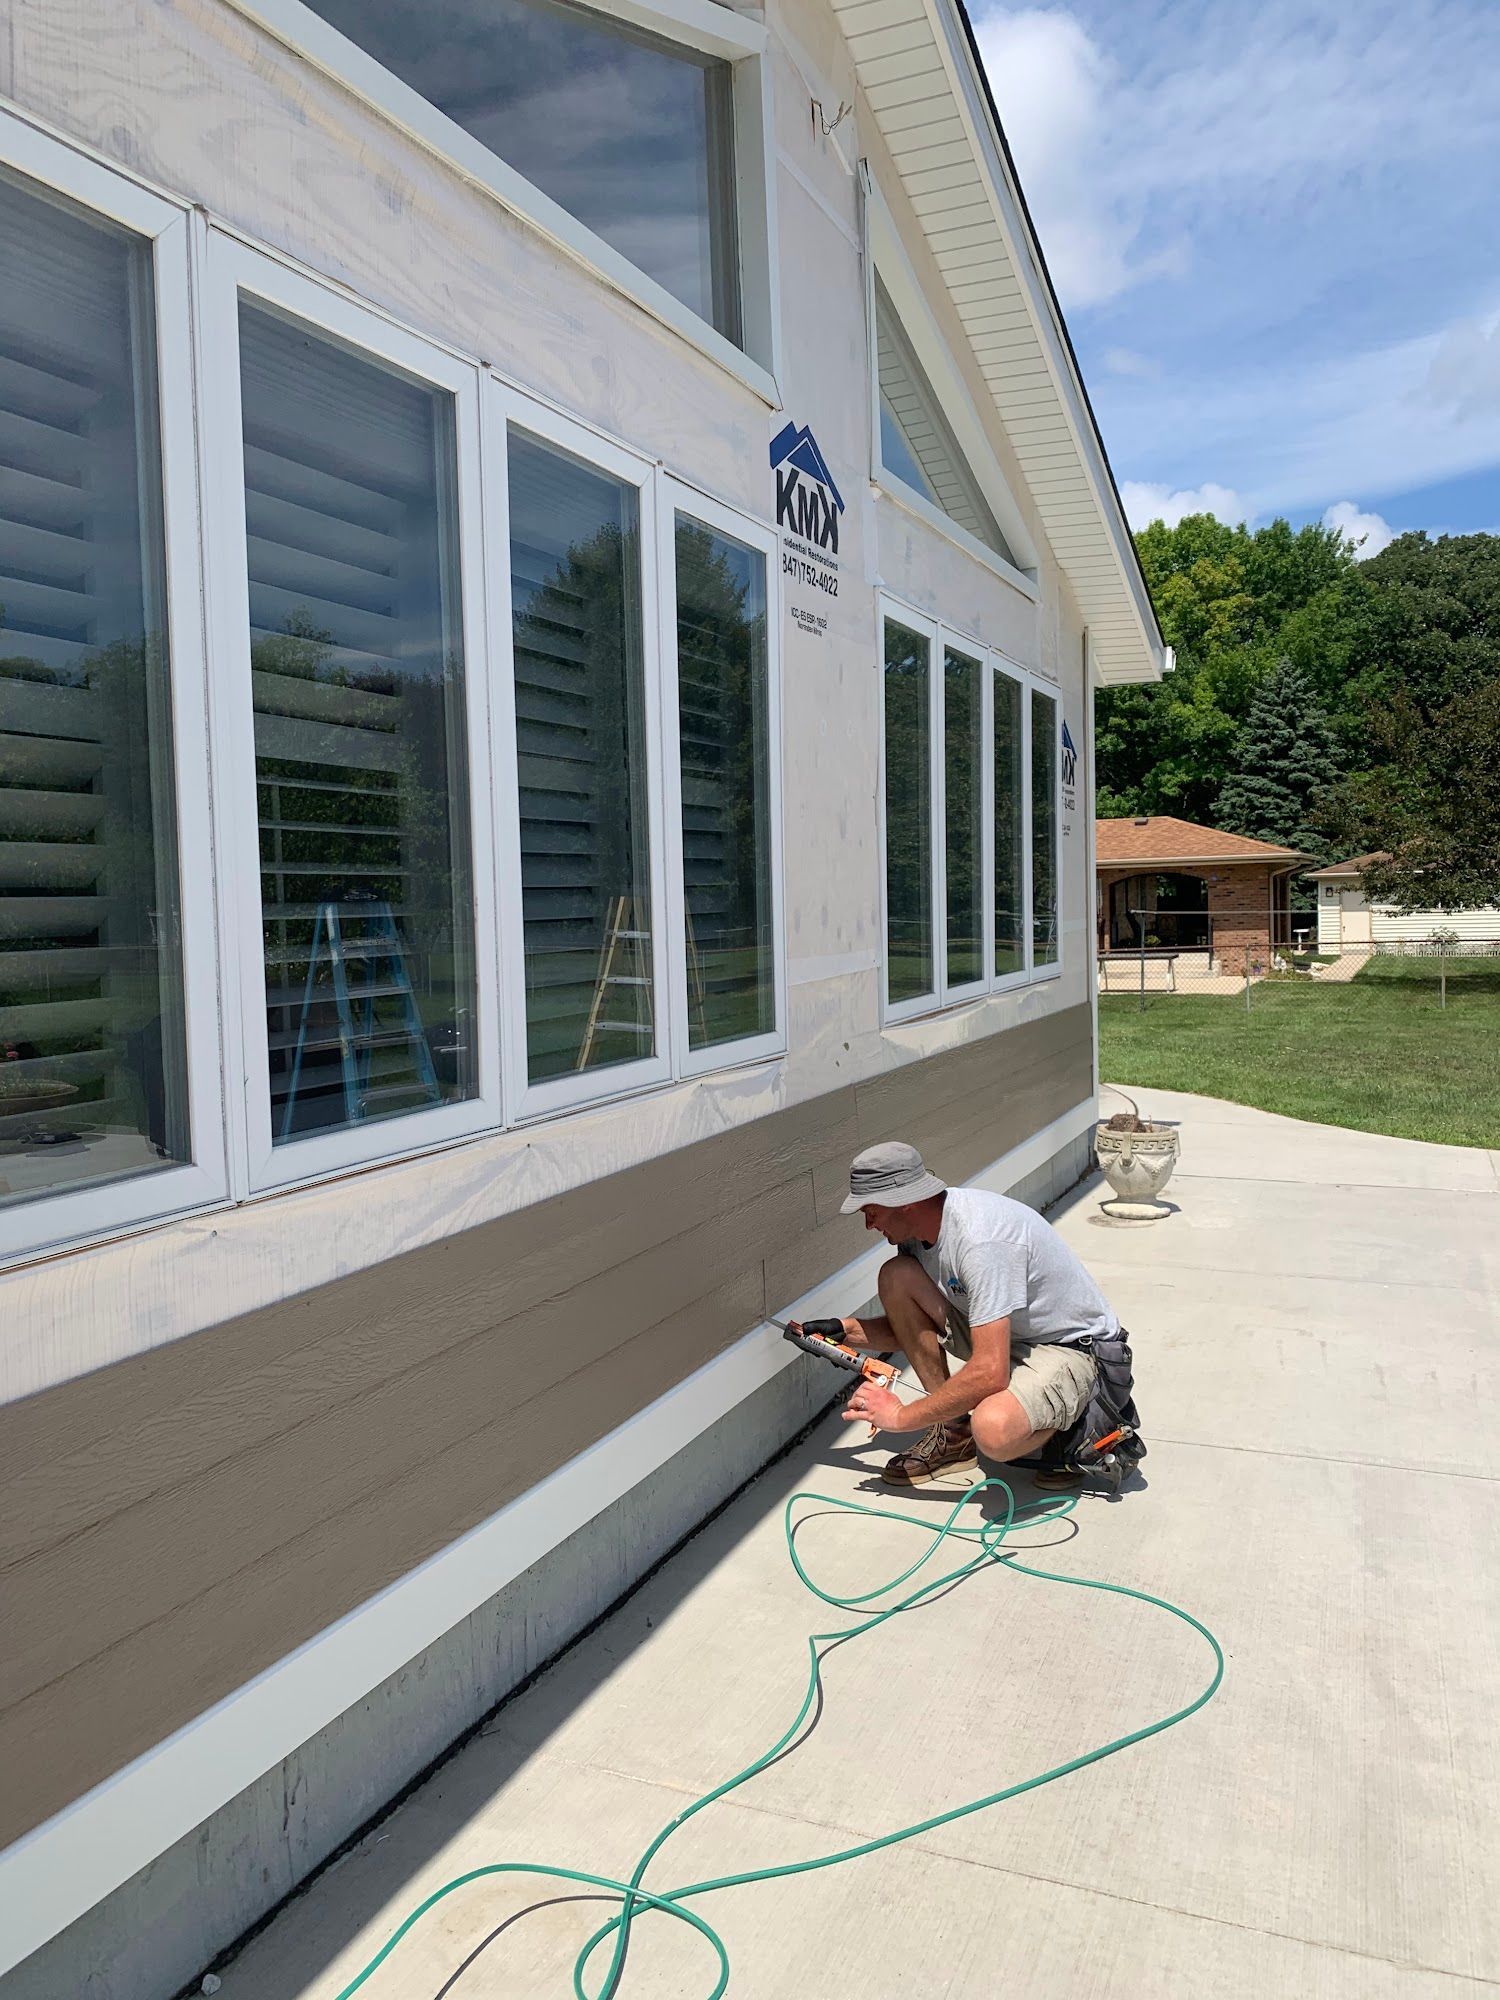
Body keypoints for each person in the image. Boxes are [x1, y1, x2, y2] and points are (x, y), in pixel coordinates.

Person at [804, 1139, 1134, 1487]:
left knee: (993, 1429)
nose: (869, 1224)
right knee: (896, 1276)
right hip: (1006, 1334)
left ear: (905, 1204)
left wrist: (901, 1417)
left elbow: (989, 1374)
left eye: (871, 1210)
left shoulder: (981, 1242)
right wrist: (844, 1331)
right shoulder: (919, 1234)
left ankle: (1074, 1427)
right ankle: (953, 1435)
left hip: (1071, 1348)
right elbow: (917, 1330)